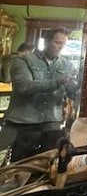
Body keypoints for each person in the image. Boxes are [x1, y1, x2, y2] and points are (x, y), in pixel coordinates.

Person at [0, 29, 77, 163]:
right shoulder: (22, 60)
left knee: (47, 167)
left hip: (51, 124)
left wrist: (75, 86)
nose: (60, 47)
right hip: (23, 123)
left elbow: (72, 92)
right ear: (46, 42)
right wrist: (60, 82)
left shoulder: (67, 65)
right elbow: (24, 87)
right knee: (18, 167)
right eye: (57, 42)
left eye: (63, 44)